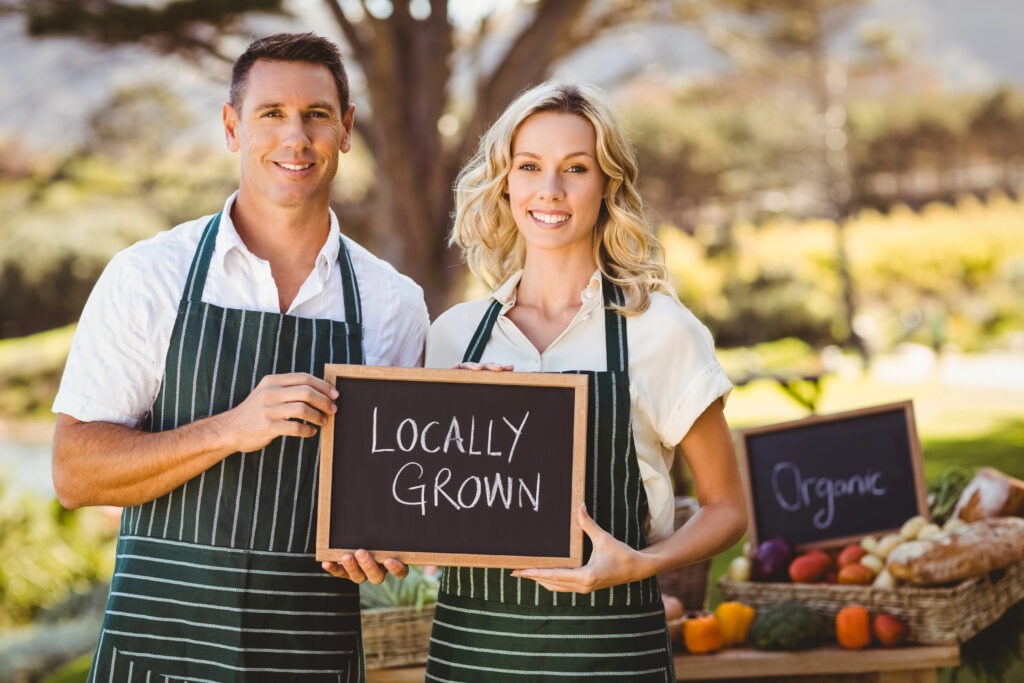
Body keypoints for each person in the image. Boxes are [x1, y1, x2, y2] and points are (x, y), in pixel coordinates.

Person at [51, 32, 428, 682]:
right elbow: (74, 472)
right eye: (271, 113)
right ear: (232, 127)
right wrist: (230, 429)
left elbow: (399, 495)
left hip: (313, 659)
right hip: (156, 656)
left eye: (316, 114)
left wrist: (387, 542)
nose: (295, 137)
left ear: (346, 129)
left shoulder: (393, 303)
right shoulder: (149, 276)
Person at [424, 81, 748, 680]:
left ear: (607, 185)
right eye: (529, 166)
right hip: (473, 654)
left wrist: (642, 564)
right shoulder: (452, 338)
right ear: (505, 181)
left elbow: (726, 509)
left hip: (612, 653)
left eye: (575, 168)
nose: (549, 189)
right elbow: (423, 512)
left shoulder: (660, 330)